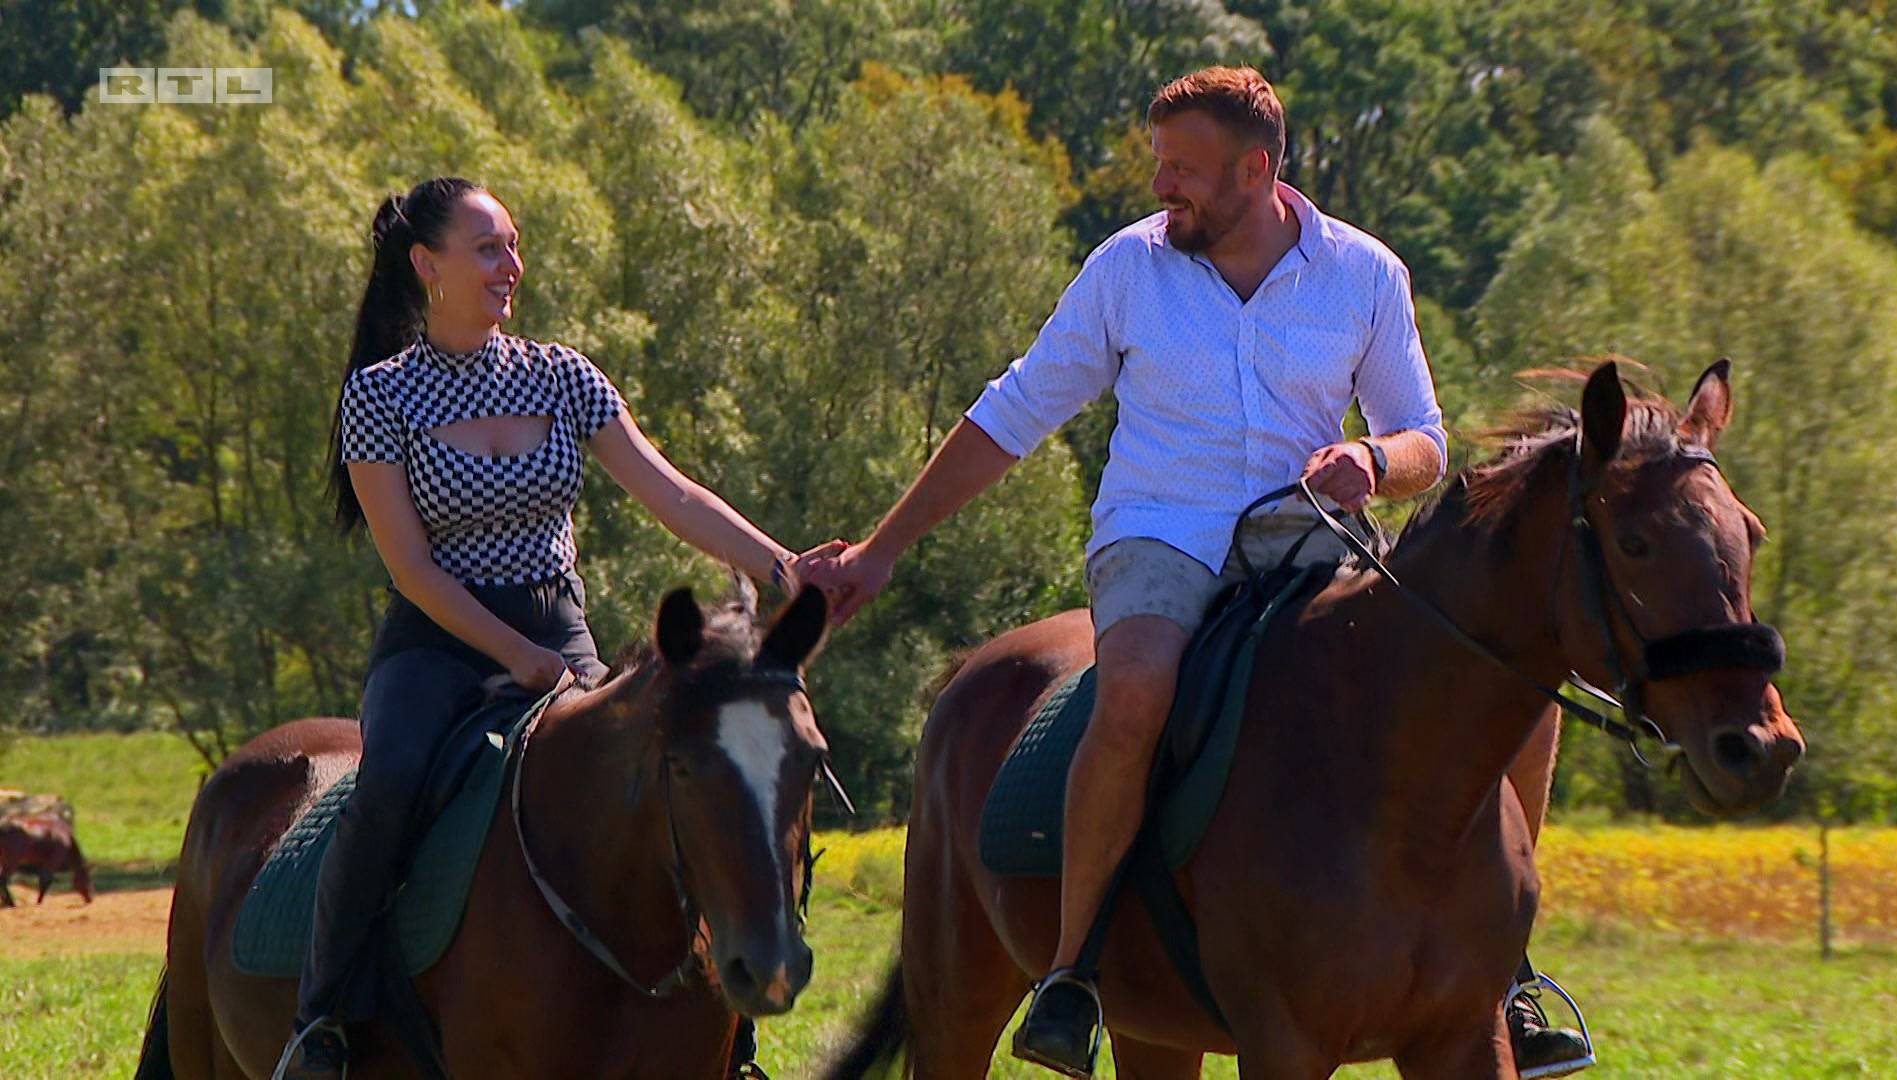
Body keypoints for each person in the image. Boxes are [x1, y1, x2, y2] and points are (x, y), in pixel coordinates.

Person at [808, 68, 1590, 1077]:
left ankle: (1504, 968)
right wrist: (881, 548)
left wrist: (1370, 460)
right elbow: (1012, 415)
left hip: (1314, 542)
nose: (1161, 185)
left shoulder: (1364, 274)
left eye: (1182, 168)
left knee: (1513, 692)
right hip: (1161, 535)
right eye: (1158, 164)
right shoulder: (1128, 268)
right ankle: (1073, 973)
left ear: (1255, 170)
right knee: (1134, 695)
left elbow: (1426, 442)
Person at [276, 177, 834, 1080]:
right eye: (489, 248)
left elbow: (673, 493)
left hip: (562, 634)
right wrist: (516, 656)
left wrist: (785, 567)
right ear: (428, 265)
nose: (511, 266)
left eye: (515, 244)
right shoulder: (378, 397)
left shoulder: (564, 376)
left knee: (671, 776)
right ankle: (323, 1019)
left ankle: (733, 1040)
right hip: (436, 647)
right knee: (394, 783)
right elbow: (411, 570)